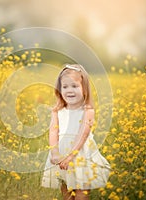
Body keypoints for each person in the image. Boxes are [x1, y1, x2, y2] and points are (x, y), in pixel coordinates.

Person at [41, 64, 111, 200]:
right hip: (61, 154)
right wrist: (55, 153)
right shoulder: (57, 111)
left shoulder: (87, 111)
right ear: (59, 90)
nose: (69, 90)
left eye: (75, 86)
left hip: (81, 154)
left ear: (84, 89)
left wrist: (69, 157)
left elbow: (82, 135)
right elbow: (53, 132)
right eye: (65, 87)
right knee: (66, 193)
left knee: (81, 194)